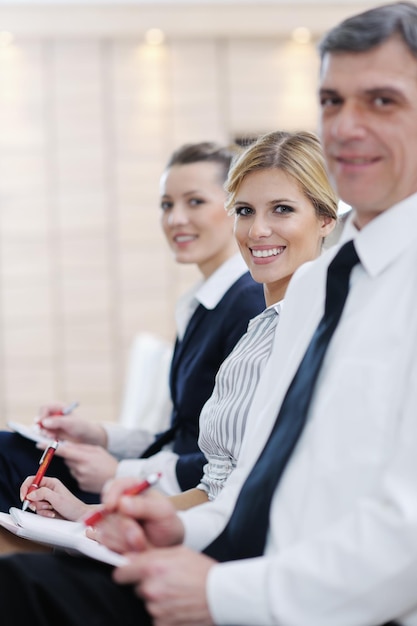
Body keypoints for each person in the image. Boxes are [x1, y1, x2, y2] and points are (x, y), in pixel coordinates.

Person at [1, 2, 417, 625]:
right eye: (332, 101)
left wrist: (220, 591)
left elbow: (403, 536)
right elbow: (247, 481)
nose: (347, 127)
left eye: (381, 101)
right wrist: (166, 528)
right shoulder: (314, 290)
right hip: (243, 565)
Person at [15, 130, 337, 520]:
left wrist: (114, 487)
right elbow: (214, 483)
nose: (256, 230)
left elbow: (249, 496)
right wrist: (90, 515)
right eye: (245, 211)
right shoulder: (257, 329)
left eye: (282, 209)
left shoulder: (310, 329)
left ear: (326, 219)